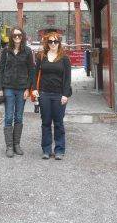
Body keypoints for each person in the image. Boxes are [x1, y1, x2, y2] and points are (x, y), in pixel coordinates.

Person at [32, 32, 72, 160]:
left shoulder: (64, 58)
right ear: (47, 43)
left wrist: (65, 94)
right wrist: (34, 89)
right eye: (50, 42)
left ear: (59, 43)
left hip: (59, 94)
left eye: (55, 41)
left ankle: (59, 150)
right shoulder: (41, 57)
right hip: (44, 94)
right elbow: (35, 74)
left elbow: (68, 79)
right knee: (46, 122)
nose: (53, 44)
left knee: (59, 123)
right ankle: (46, 150)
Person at [0, 26, 34, 158]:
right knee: (8, 117)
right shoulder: (6, 51)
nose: (17, 38)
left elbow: (32, 71)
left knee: (18, 117)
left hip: (22, 88)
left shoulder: (28, 52)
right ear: (11, 37)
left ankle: (17, 144)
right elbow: (0, 70)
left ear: (22, 36)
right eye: (14, 36)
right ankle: (9, 146)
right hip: (8, 88)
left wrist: (28, 89)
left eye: (19, 35)